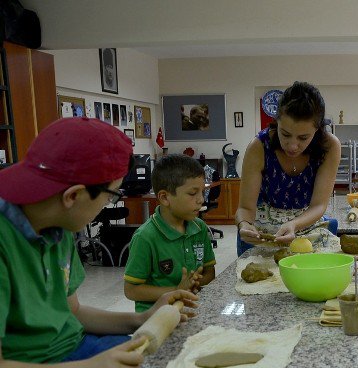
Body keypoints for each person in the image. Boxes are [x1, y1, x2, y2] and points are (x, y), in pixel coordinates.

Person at [0, 117, 198, 368]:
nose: (110, 204)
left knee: (165, 366)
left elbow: (72, 312)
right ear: (74, 195)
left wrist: (140, 319)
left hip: (69, 351)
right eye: (110, 196)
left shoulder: (55, 223)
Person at [235, 81, 341, 255]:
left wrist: (293, 224)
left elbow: (318, 205)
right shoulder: (259, 146)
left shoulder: (329, 146)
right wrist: (245, 224)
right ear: (277, 122)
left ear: (317, 129)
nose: (292, 146)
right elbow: (245, 208)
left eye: (303, 137)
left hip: (308, 224)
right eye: (285, 134)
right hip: (265, 230)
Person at [124, 154, 216, 313]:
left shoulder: (199, 227)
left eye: (202, 192)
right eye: (193, 193)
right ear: (165, 197)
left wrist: (195, 283)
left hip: (192, 310)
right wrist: (176, 290)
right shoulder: (145, 237)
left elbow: (210, 272)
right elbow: (131, 290)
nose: (201, 200)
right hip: (157, 316)